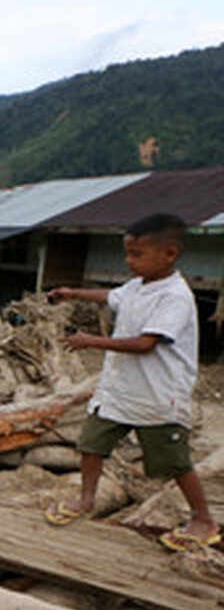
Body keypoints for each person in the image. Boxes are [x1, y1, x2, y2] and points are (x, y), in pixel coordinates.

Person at [46, 212, 218, 551]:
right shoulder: (139, 286)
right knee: (91, 444)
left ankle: (204, 519)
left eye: (137, 254)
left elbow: (145, 344)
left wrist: (90, 341)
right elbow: (113, 297)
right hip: (119, 391)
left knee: (175, 462)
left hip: (157, 396)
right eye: (127, 253)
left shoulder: (175, 297)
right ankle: (86, 499)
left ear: (170, 253)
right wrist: (72, 293)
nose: (129, 261)